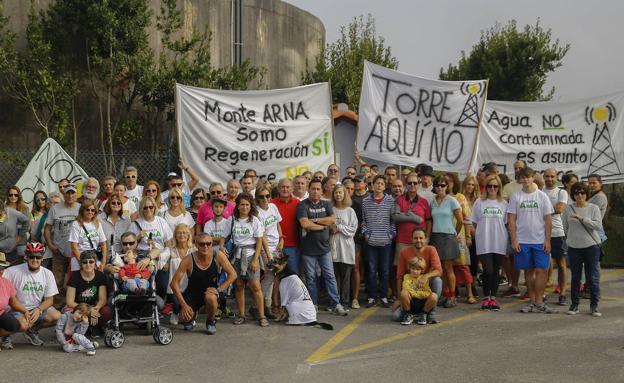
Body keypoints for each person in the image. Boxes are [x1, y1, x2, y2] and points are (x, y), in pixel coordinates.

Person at [297, 180, 348, 315]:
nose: (315, 191)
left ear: (321, 190)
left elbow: (332, 219)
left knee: (330, 276)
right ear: (309, 189)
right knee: (311, 278)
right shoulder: (302, 205)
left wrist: (313, 220)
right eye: (313, 188)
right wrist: (321, 225)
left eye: (318, 189)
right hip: (308, 249)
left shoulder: (327, 204)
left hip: (324, 249)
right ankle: (313, 304)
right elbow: (304, 224)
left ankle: (336, 304)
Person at [508, 167, 554, 314]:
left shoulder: (542, 196)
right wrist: (514, 240)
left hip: (540, 240)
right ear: (519, 179)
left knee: (542, 270)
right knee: (528, 271)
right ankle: (532, 301)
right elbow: (511, 220)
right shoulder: (516, 196)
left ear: (533, 177)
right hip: (523, 240)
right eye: (522, 177)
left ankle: (540, 302)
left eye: (528, 176)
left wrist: (547, 240)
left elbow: (548, 220)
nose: (525, 180)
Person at [171, 233, 236, 334]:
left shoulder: (218, 255)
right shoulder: (188, 259)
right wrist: (184, 305)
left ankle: (210, 321)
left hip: (210, 292)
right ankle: (192, 315)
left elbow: (233, 274)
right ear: (196, 245)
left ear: (211, 244)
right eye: (202, 244)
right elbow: (174, 283)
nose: (205, 246)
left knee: (211, 298)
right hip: (192, 294)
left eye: (208, 243)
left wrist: (219, 289)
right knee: (184, 319)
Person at [2, 242, 60, 347]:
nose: (35, 260)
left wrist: (39, 310)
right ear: (26, 257)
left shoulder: (47, 274)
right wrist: (22, 311)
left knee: (57, 316)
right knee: (22, 324)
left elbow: (49, 300)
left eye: (38, 257)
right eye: (31, 256)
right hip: (15, 309)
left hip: (35, 309)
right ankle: (5, 336)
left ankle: (31, 330)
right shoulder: (12, 271)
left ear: (42, 258)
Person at [562, 182, 603, 317]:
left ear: (586, 194)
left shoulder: (594, 208)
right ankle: (574, 305)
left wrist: (582, 218)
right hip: (574, 247)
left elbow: (597, 226)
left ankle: (594, 306)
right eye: (576, 193)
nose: (580, 195)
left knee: (592, 278)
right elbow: (565, 227)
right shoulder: (568, 209)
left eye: (582, 193)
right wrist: (571, 240)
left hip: (591, 247)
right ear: (572, 195)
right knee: (575, 278)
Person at [231, 193, 269, 326]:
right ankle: (241, 315)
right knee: (239, 285)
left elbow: (259, 240)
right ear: (237, 205)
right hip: (236, 256)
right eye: (242, 204)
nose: (244, 207)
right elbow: (226, 237)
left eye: (247, 204)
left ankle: (262, 316)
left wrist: (255, 259)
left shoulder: (254, 220)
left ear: (250, 205)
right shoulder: (232, 220)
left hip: (251, 254)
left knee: (255, 286)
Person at [471, 175, 508, 311]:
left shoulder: (503, 203)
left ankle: (494, 299)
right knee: (488, 270)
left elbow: (506, 222)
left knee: (496, 270)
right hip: (484, 241)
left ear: (499, 187)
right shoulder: (479, 202)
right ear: (485, 187)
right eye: (489, 186)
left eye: (495, 186)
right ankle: (486, 297)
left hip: (499, 240)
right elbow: (473, 222)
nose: (492, 188)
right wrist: (478, 234)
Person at [361, 175, 396, 308]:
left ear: (384, 186)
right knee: (371, 270)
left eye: (382, 183)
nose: (379, 186)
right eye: (377, 183)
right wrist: (365, 233)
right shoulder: (366, 201)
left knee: (385, 271)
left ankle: (383, 296)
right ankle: (371, 296)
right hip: (370, 242)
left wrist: (392, 234)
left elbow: (393, 221)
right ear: (372, 185)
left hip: (386, 242)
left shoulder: (390, 201)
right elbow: (363, 220)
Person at [395, 228, 442, 324]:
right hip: (410, 288)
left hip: (425, 287)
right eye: (415, 238)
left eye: (421, 238)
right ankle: (409, 313)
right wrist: (399, 299)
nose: (418, 240)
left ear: (426, 239)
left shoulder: (431, 249)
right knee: (396, 316)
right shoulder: (404, 252)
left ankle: (430, 311)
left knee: (437, 280)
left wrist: (425, 276)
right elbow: (399, 276)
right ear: (411, 239)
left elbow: (439, 270)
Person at [429, 175, 463, 308]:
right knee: (439, 268)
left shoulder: (452, 201)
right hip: (435, 236)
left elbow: (460, 221)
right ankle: (445, 294)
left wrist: (454, 232)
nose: (440, 188)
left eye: (443, 185)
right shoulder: (432, 201)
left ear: (447, 186)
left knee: (448, 268)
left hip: (448, 236)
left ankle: (452, 296)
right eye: (437, 185)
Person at [445, 172, 476, 305]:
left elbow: (467, 219)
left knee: (463, 266)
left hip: (459, 237)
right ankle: (450, 294)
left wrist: (468, 236)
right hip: (444, 237)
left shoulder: (460, 197)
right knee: (447, 267)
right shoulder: (439, 198)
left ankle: (469, 293)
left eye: (450, 182)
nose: (447, 184)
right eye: (444, 182)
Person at [65, 250, 111, 333]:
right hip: (78, 306)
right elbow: (69, 301)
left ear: (95, 263)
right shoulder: (75, 276)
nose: (88, 265)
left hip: (95, 306)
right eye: (85, 262)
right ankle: (78, 329)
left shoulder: (100, 276)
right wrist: (88, 310)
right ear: (81, 264)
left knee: (106, 311)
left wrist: (95, 309)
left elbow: (102, 300)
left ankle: (96, 327)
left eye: (91, 262)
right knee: (67, 312)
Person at [44, 183, 81, 287]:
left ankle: (71, 300)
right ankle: (57, 301)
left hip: (76, 250)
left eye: (72, 193)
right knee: (57, 279)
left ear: (76, 194)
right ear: (63, 194)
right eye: (67, 193)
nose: (70, 196)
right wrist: (50, 245)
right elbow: (47, 228)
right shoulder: (55, 209)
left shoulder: (81, 208)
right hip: (59, 249)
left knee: (75, 277)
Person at [255, 184, 283, 318]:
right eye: (262, 197)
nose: (265, 199)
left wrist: (281, 239)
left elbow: (278, 223)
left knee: (270, 278)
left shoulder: (273, 207)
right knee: (270, 276)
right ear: (257, 198)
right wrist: (268, 255)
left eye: (267, 196)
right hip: (265, 248)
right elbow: (262, 236)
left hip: (276, 246)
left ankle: (266, 307)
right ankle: (256, 305)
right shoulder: (257, 212)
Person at [543, 168, 569, 306]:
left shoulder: (561, 192)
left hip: (557, 233)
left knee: (561, 264)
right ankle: (542, 293)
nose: (549, 179)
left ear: (556, 178)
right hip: (541, 233)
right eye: (547, 176)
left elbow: (560, 209)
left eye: (552, 176)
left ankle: (563, 293)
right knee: (542, 265)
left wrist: (543, 211)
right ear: (543, 177)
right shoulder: (539, 192)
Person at [330, 184, 357, 310]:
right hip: (333, 247)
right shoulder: (331, 209)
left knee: (346, 277)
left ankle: (345, 302)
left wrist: (339, 228)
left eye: (340, 192)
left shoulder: (350, 211)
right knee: (334, 277)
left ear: (344, 194)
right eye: (336, 193)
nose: (338, 195)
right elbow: (329, 226)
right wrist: (332, 229)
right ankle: (335, 302)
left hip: (346, 248)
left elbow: (352, 230)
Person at [165, 224, 194, 324]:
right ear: (175, 235)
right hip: (175, 285)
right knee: (177, 304)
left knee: (189, 307)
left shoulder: (194, 250)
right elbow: (162, 260)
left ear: (189, 235)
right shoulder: (170, 250)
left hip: (190, 285)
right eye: (179, 233)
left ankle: (191, 316)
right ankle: (175, 312)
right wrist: (165, 264)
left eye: (184, 233)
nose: (182, 235)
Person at [69, 200, 108, 273]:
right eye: (87, 209)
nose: (90, 212)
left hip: (94, 256)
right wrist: (83, 263)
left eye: (92, 210)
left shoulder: (97, 223)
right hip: (80, 257)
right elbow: (74, 246)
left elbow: (103, 243)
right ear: (82, 211)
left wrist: (103, 262)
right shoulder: (76, 224)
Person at [0, 251, 29, 350]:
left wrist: (25, 311)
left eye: (2, 268)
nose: (0, 270)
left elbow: (13, 301)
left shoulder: (5, 282)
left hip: (1, 313)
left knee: (22, 324)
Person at [272, 179, 301, 273]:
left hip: (293, 245)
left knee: (294, 273)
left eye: (288, 187)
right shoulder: (271, 204)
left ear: (292, 188)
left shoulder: (298, 203)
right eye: (282, 187)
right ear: (278, 189)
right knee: (275, 274)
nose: (285, 189)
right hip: (275, 245)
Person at [399, 257, 438, 325]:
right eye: (413, 269)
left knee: (434, 296)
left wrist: (415, 293)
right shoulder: (406, 277)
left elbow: (428, 292)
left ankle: (423, 314)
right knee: (403, 293)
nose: (415, 271)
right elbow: (406, 288)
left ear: (422, 270)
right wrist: (420, 294)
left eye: (417, 269)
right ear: (409, 268)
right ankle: (408, 314)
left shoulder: (424, 278)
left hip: (422, 304)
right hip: (411, 302)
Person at [350, 175, 369, 308]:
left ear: (365, 183)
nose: (357, 184)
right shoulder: (350, 199)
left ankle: (371, 295)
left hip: (369, 237)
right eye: (355, 181)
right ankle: (354, 298)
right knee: (355, 268)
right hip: (354, 237)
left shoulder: (371, 198)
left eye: (359, 181)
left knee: (370, 267)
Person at [99, 194, 132, 259]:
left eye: (118, 203)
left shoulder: (127, 219)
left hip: (123, 255)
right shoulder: (100, 218)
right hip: (104, 255)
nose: (116, 204)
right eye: (113, 203)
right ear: (109, 204)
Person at [0, 200, 30, 264]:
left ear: (3, 209)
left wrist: (20, 235)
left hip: (11, 251)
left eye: (1, 212)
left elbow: (26, 221)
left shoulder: (11, 212)